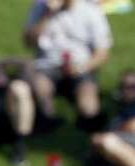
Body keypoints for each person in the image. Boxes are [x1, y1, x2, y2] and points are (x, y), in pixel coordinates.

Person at [23, 0, 112, 131]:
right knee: (40, 87)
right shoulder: (41, 8)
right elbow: (28, 42)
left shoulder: (91, 11)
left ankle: (89, 126)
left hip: (81, 66)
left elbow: (102, 53)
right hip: (47, 64)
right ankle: (47, 120)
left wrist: (82, 67)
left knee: (88, 107)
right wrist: (47, 15)